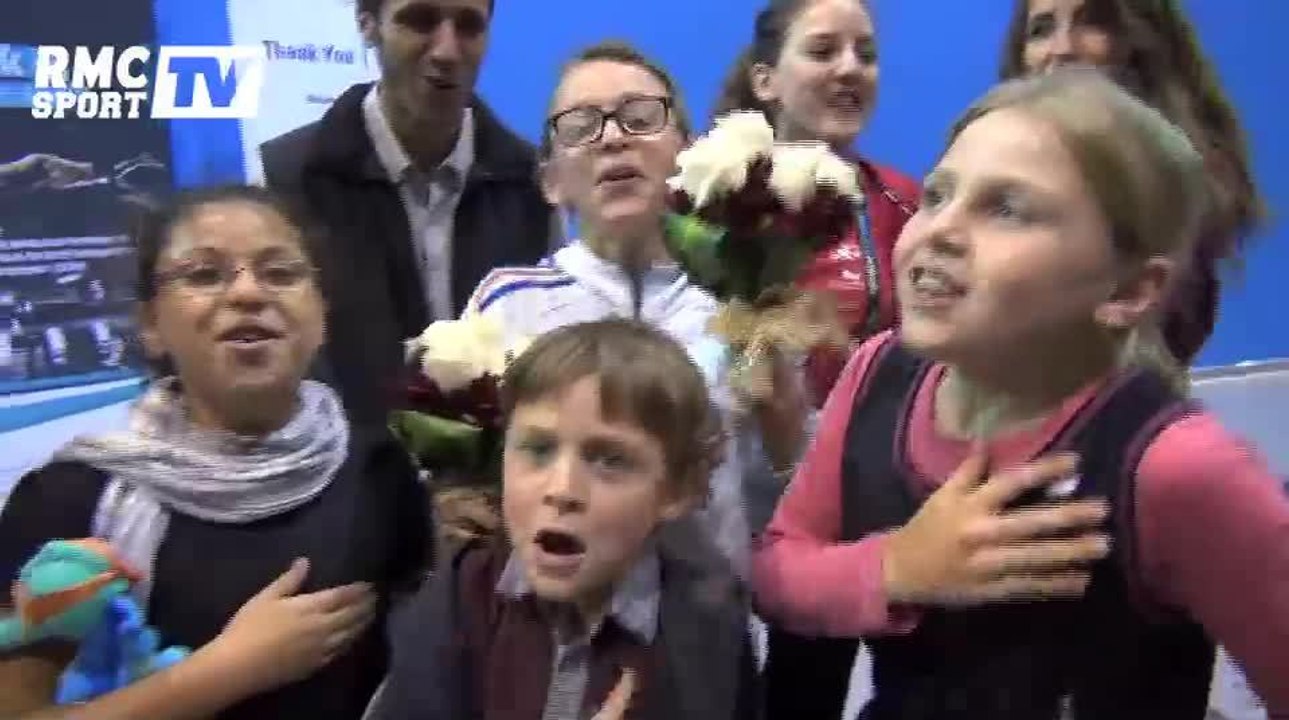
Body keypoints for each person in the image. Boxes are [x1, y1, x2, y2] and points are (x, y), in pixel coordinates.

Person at [753, 69, 1289, 719]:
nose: (939, 231)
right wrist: (896, 567)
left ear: (1127, 291)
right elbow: (778, 572)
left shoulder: (1175, 468)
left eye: (1006, 208)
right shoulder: (873, 373)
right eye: (937, 196)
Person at [0, 186, 429, 719]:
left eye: (280, 273)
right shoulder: (69, 498)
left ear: (320, 316)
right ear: (151, 324)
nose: (248, 294)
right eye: (204, 274)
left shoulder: (380, 471)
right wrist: (228, 670)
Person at [462, 41, 809, 576]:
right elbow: (467, 491)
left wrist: (781, 398)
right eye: (580, 126)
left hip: (707, 621)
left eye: (640, 117)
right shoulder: (507, 301)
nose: (613, 138)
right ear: (551, 180)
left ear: (688, 153)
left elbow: (800, 482)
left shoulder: (746, 297)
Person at [372, 319, 761, 720]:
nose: (562, 489)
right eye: (538, 450)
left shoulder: (712, 631)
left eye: (611, 460)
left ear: (678, 491)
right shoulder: (457, 600)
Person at [260, 0, 556, 425]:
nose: (446, 51)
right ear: (367, 24)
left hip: (500, 481)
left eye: (469, 26)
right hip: (342, 478)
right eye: (420, 20)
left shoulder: (530, 185)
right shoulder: (288, 180)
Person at [999, 0, 1267, 365]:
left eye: (1093, 22)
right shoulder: (996, 177)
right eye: (1042, 30)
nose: (1062, 49)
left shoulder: (1182, 195)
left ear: (1142, 39)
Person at [715, 0, 920, 409]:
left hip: (874, 448)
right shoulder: (716, 203)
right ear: (765, 81)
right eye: (823, 51)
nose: (850, 69)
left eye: (866, 55)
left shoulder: (906, 202)